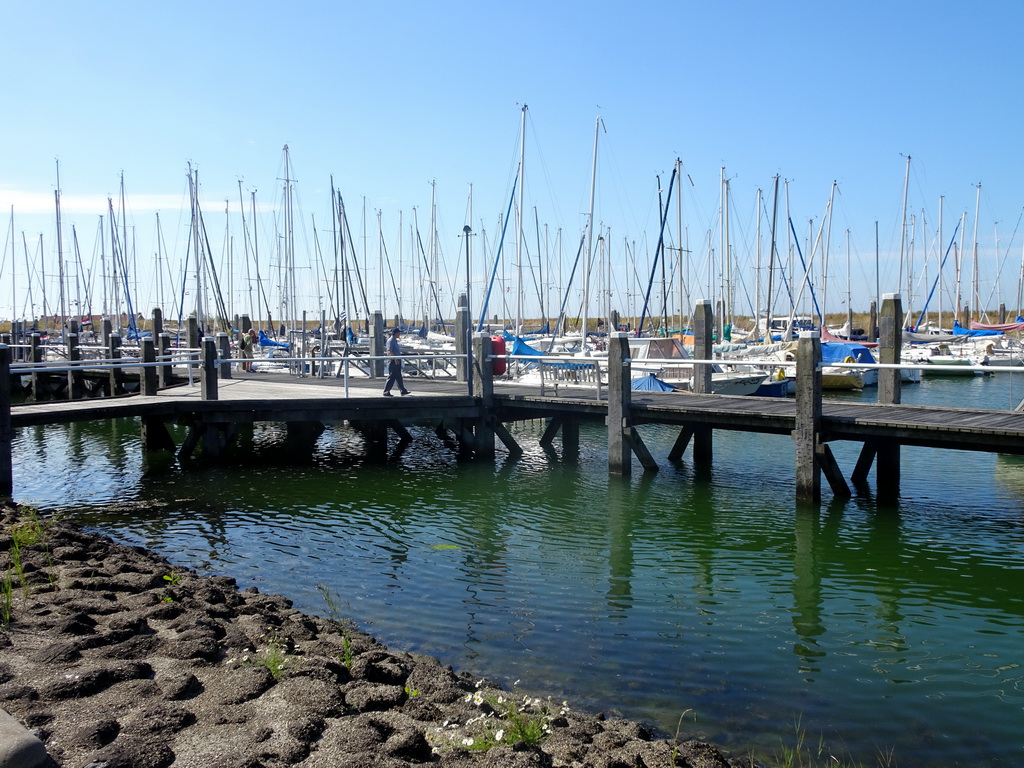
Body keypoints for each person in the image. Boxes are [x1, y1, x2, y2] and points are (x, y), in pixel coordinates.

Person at [382, 327, 410, 396]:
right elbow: (390, 351)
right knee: (392, 376)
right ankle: (386, 391)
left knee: (398, 376)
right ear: (395, 333)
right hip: (393, 360)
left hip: (397, 359)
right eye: (398, 333)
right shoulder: (390, 341)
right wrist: (395, 359)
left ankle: (403, 390)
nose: (399, 334)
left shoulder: (394, 340)